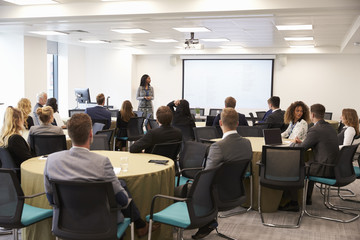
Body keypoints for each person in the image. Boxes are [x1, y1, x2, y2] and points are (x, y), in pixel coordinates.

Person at [43, 113, 159, 237]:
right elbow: (123, 200)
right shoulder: (102, 163)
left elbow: (51, 198)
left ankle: (140, 225)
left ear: (69, 135)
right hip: (101, 225)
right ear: (91, 134)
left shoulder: (51, 160)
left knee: (119, 185)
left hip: (65, 223)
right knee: (120, 187)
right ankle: (140, 225)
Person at [192, 108, 253, 239]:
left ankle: (196, 223)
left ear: (220, 123)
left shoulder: (218, 147)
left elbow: (206, 177)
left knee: (183, 189)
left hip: (217, 195)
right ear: (237, 123)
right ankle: (208, 222)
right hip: (236, 192)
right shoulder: (247, 143)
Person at [291, 104, 339, 205]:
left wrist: (294, 144)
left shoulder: (315, 129)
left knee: (295, 167)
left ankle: (293, 202)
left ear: (312, 115)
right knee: (309, 162)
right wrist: (302, 143)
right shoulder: (330, 128)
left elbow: (302, 149)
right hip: (335, 167)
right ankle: (307, 198)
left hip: (324, 168)